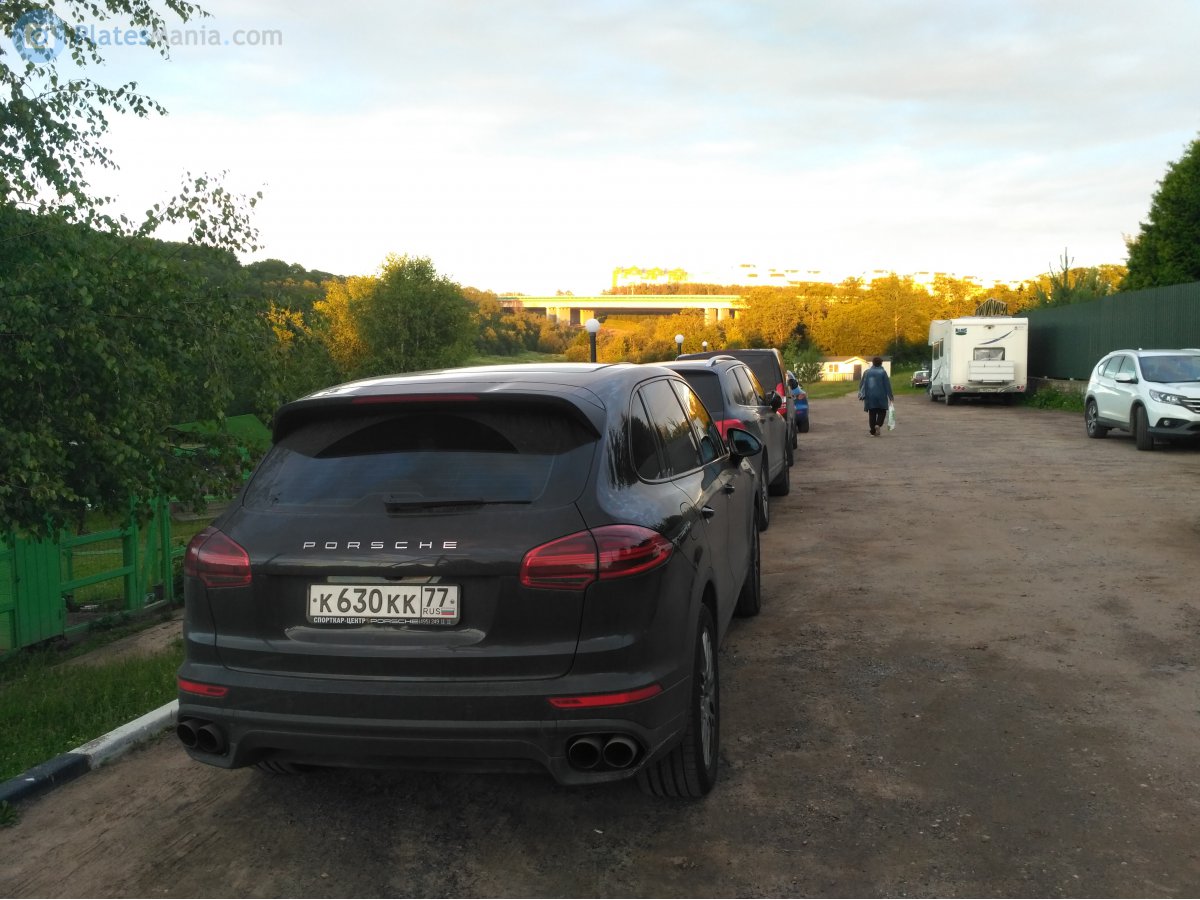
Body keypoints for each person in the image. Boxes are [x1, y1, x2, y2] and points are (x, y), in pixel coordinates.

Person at [858, 356, 894, 436]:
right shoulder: (883, 372)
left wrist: (861, 393)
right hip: (881, 396)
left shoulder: (867, 372)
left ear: (873, 363)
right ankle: (878, 424)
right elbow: (887, 385)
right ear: (881, 363)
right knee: (882, 411)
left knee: (872, 413)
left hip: (870, 396)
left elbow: (862, 384)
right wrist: (891, 397)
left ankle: (873, 431)